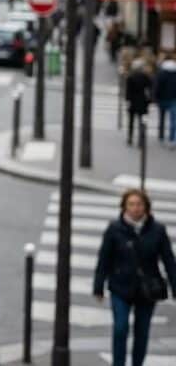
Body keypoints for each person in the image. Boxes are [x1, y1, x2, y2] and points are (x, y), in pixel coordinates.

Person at [94, 189, 176, 366]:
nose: (135, 208)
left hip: (147, 289)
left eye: (139, 204)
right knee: (120, 328)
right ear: (124, 207)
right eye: (131, 204)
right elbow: (104, 258)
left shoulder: (158, 230)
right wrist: (98, 286)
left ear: (146, 207)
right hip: (120, 287)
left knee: (142, 332)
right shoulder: (114, 229)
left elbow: (169, 260)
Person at [126, 59, 153, 146]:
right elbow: (150, 89)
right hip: (142, 101)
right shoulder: (146, 77)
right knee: (142, 122)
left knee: (131, 121)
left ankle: (130, 137)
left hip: (133, 101)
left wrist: (128, 100)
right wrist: (149, 101)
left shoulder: (130, 77)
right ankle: (141, 140)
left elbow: (128, 91)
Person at [156, 53, 176, 148]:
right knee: (173, 120)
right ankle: (172, 138)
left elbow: (157, 86)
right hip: (173, 99)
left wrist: (156, 97)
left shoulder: (161, 72)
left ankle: (161, 136)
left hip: (162, 98)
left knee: (162, 118)